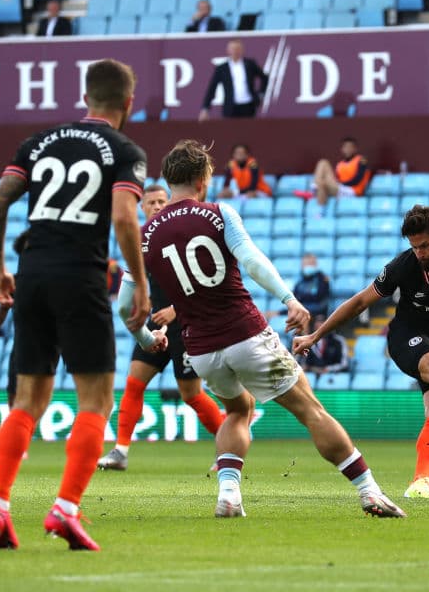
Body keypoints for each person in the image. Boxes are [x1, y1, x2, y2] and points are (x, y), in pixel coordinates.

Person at [132, 139, 404, 518]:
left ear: (168, 179)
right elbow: (252, 260)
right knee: (311, 411)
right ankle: (369, 491)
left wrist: (147, 339)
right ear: (202, 180)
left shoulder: (143, 235)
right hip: (244, 333)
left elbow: (127, 304)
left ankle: (228, 494)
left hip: (201, 351)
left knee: (236, 411)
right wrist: (288, 299)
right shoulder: (218, 212)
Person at [0, 58, 151, 551]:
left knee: (28, 401)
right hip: (81, 276)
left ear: (85, 98)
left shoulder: (39, 141)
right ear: (127, 103)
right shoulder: (124, 150)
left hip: (32, 275)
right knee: (95, 401)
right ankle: (66, 509)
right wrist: (139, 280)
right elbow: (123, 216)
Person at [294, 205, 429, 500]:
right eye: (414, 247)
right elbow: (359, 302)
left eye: (425, 246)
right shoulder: (404, 265)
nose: (420, 253)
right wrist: (316, 335)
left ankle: (421, 481)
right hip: (407, 334)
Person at [96, 184, 225, 472]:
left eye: (161, 201)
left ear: (170, 202)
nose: (156, 206)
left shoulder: (183, 235)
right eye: (151, 202)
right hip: (155, 323)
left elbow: (208, 283)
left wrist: (177, 310)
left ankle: (228, 446)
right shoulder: (140, 241)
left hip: (188, 323)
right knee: (134, 382)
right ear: (142, 207)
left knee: (191, 394)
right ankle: (120, 451)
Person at [0, 231, 31, 408]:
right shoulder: (15, 283)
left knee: (37, 393)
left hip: (46, 345)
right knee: (13, 394)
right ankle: (17, 428)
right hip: (20, 345)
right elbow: (3, 307)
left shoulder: (49, 281)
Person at [198, 40, 268, 121]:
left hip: (248, 106)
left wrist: (261, 94)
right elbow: (212, 88)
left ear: (242, 50)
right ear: (228, 50)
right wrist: (205, 108)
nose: (235, 51)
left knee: (249, 131)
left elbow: (264, 77)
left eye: (238, 49)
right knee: (229, 132)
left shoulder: (250, 64)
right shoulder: (222, 68)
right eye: (233, 49)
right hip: (230, 107)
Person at [312, 136, 372, 207]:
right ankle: (316, 187)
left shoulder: (363, 159)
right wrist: (337, 184)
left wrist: (342, 184)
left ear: (355, 149)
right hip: (340, 188)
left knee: (322, 185)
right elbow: (335, 178)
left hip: (352, 191)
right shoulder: (340, 164)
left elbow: (358, 178)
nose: (348, 149)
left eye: (350, 147)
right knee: (323, 162)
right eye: (345, 147)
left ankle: (314, 189)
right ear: (342, 149)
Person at [293, 253, 331, 318]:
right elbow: (295, 300)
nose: (307, 267)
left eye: (310, 264)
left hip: (317, 315)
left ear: (315, 265)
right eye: (305, 264)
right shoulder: (299, 282)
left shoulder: (322, 279)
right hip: (302, 312)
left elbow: (321, 300)